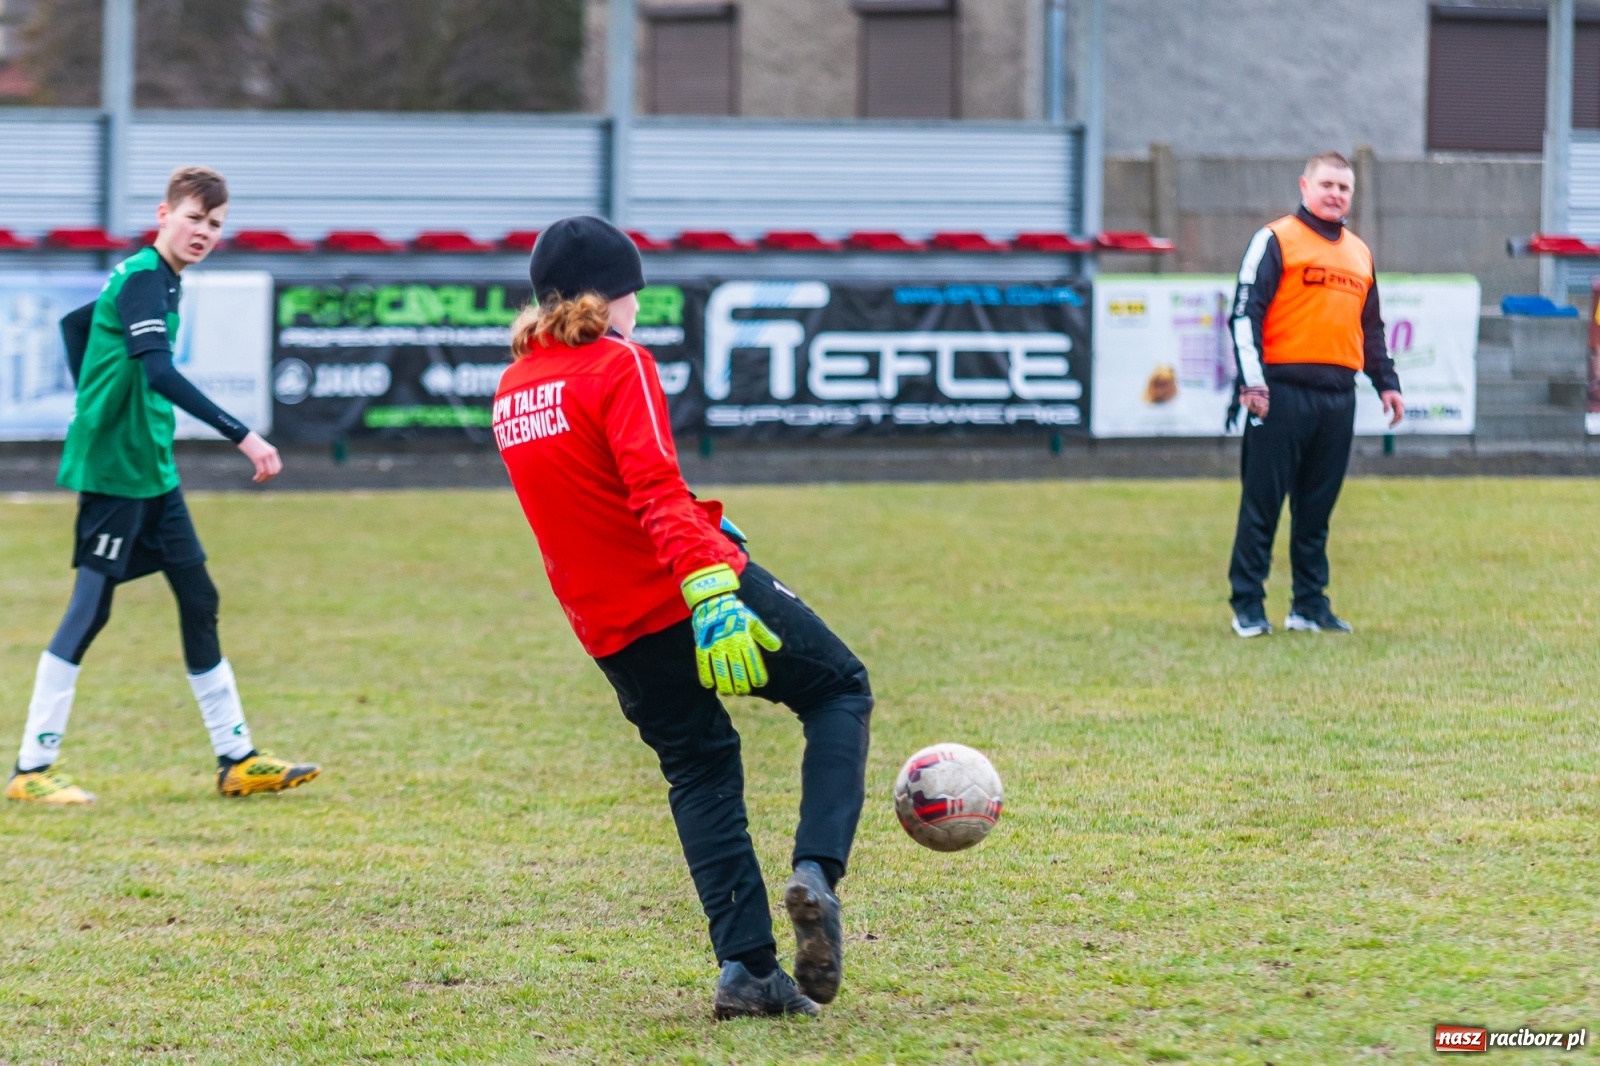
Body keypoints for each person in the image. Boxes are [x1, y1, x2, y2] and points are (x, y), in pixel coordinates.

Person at [492, 216, 873, 1020]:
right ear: (608, 294)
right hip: (686, 593)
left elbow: (595, 497)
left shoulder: (515, 386)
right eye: (634, 289)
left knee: (699, 766)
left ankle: (748, 970)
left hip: (609, 626)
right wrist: (713, 594)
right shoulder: (618, 361)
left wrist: (706, 517)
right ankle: (818, 873)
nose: (639, 306)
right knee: (839, 687)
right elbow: (651, 491)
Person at [5, 166, 320, 805]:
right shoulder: (148, 280)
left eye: (215, 224)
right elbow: (157, 373)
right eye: (194, 218)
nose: (203, 232)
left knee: (199, 597)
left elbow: (76, 326)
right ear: (164, 214)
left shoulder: (154, 280)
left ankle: (237, 759)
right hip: (118, 470)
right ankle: (32, 770)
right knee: (89, 610)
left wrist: (94, 389)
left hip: (151, 467)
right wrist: (245, 434)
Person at [1227, 151, 1404, 638]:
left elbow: (1370, 330)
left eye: (1344, 188)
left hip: (1337, 398)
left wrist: (1386, 383)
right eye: (1327, 184)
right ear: (1305, 186)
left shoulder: (1360, 253)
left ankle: (1309, 605)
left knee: (1316, 508)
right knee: (1262, 503)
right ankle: (1248, 605)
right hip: (1278, 394)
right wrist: (1253, 381)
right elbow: (1245, 314)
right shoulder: (1276, 239)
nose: (1335, 194)